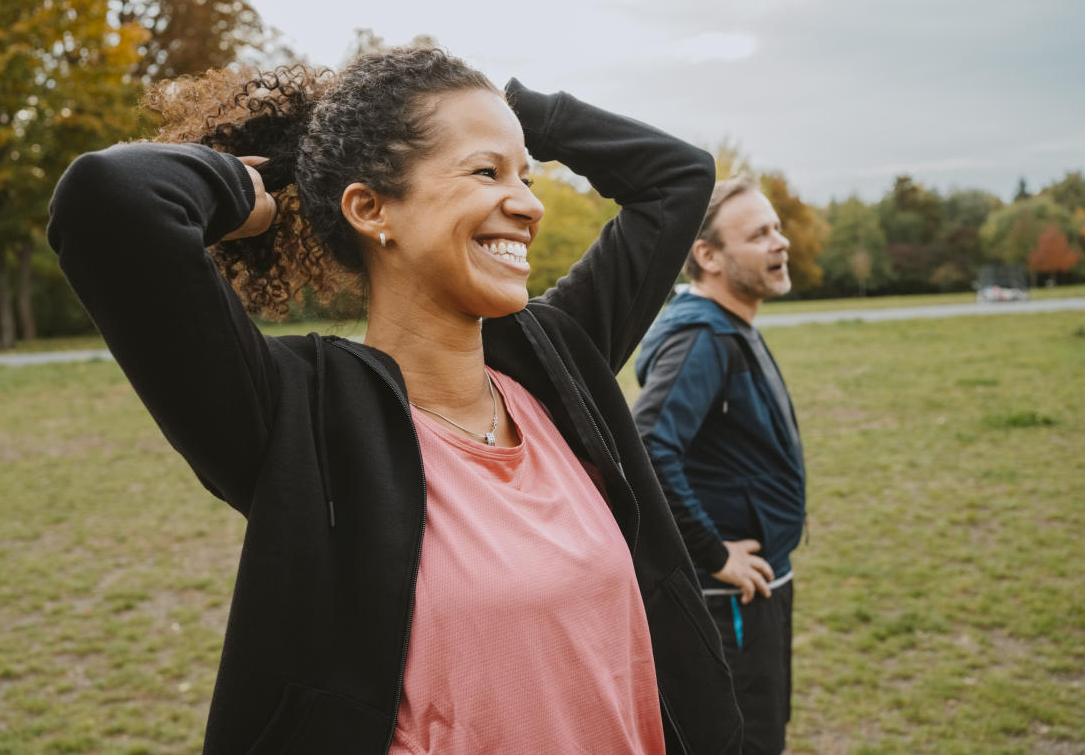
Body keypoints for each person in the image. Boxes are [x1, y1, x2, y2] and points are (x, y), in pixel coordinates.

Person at [49, 47, 742, 753]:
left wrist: (514, 110)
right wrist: (254, 181)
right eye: (486, 172)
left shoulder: (556, 362)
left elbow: (678, 178)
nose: (530, 204)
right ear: (371, 208)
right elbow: (108, 199)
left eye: (526, 175)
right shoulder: (298, 418)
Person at [631, 175, 806, 754]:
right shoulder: (704, 335)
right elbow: (650, 446)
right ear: (707, 256)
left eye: (776, 227)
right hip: (728, 593)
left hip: (758, 583)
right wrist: (714, 554)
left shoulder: (731, 324)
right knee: (745, 742)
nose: (780, 242)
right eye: (759, 234)